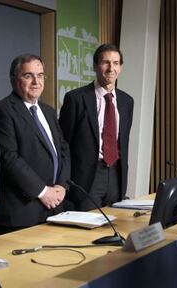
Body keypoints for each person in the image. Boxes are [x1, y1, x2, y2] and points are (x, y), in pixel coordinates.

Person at [0, 54, 70, 234]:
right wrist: (43, 192)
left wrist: (62, 186)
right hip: (23, 212)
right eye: (28, 76)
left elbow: (64, 150)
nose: (36, 81)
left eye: (40, 75)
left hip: (55, 207)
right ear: (13, 80)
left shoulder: (48, 111)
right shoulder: (1, 110)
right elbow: (9, 158)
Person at [59, 44, 134, 211]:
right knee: (86, 229)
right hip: (87, 178)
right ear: (94, 66)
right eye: (105, 62)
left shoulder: (127, 101)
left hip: (116, 174)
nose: (111, 68)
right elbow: (63, 144)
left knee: (115, 225)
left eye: (115, 63)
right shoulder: (76, 98)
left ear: (120, 67)